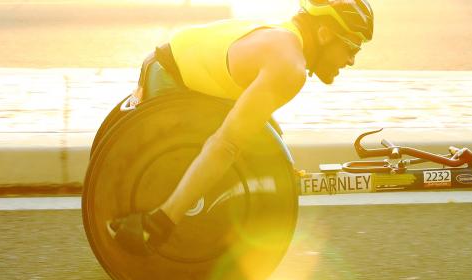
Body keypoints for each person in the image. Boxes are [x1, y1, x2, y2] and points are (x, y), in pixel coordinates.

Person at [108, 0, 374, 255]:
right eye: (352, 47)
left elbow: (250, 106)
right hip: (169, 86)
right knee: (230, 148)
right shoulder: (291, 66)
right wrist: (164, 220)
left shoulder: (280, 34)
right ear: (325, 34)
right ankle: (159, 220)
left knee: (253, 142)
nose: (351, 60)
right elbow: (225, 144)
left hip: (160, 67)